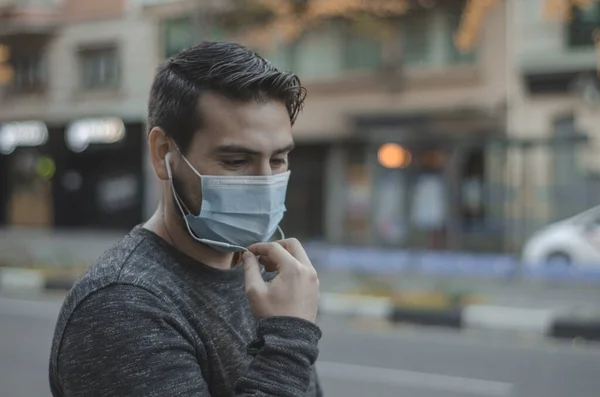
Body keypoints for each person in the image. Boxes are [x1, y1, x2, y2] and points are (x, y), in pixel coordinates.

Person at [49, 41, 322, 397]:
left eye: (278, 160)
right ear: (164, 153)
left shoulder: (268, 278)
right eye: (236, 161)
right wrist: (288, 339)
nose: (264, 183)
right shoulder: (122, 307)